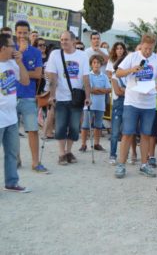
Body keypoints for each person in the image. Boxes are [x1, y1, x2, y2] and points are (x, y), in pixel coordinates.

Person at [114, 33, 157, 178]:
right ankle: (121, 165)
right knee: (127, 133)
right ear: (141, 45)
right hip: (132, 102)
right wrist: (131, 70)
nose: (148, 52)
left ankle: (144, 164)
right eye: (145, 48)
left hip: (149, 103)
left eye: (150, 49)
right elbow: (118, 73)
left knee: (146, 135)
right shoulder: (132, 57)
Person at [46, 31, 91, 165]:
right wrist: (52, 95)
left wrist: (88, 96)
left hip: (76, 97)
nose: (63, 42)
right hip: (60, 97)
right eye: (62, 40)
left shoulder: (82, 56)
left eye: (66, 39)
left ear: (73, 41)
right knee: (60, 126)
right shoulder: (55, 54)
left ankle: (69, 151)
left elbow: (86, 78)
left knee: (74, 127)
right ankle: (61, 153)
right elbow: (53, 77)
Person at [14, 21, 48, 173]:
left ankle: (35, 162)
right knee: (12, 131)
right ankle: (16, 159)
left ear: (29, 33)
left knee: (33, 130)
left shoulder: (35, 52)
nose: (22, 35)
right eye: (19, 32)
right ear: (15, 33)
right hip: (11, 97)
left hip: (28, 96)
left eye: (25, 33)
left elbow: (38, 74)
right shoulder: (8, 50)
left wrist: (20, 70)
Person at [0, 33, 31, 192]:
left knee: (12, 153)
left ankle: (11, 182)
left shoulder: (13, 64)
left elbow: (25, 81)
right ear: (4, 48)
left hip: (11, 116)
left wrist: (20, 63)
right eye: (12, 45)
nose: (15, 48)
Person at [79, 55, 111, 152]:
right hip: (90, 104)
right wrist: (101, 90)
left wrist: (98, 89)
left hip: (100, 105)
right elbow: (89, 89)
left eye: (98, 63)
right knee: (85, 125)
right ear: (91, 64)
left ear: (101, 64)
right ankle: (83, 144)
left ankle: (97, 143)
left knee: (98, 125)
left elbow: (109, 89)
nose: (96, 64)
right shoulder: (88, 75)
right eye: (94, 62)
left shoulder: (104, 76)